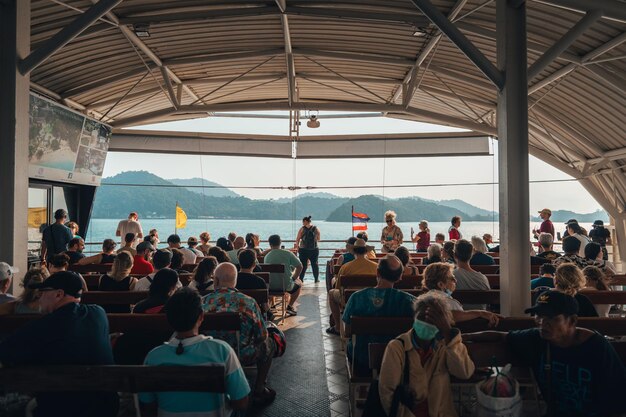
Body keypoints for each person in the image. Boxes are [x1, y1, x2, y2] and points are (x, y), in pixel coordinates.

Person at [463, 291, 626, 417]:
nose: (542, 323)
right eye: (538, 316)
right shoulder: (536, 339)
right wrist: (463, 337)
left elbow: (617, 398)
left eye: (551, 318)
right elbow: (501, 336)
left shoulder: (596, 347)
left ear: (573, 320)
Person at [0, 271, 120, 417]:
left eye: (43, 291)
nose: (39, 296)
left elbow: (5, 353)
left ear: (59, 294)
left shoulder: (45, 326)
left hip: (61, 408)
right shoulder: (99, 313)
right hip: (106, 407)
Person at [139, 288, 249, 416]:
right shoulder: (222, 350)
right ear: (201, 316)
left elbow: (147, 404)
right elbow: (241, 402)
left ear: (168, 319)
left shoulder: (153, 357)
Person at [379, 293, 475, 417]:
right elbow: (388, 393)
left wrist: (447, 332)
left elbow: (464, 372)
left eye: (432, 319)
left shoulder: (445, 346)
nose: (426, 322)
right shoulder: (397, 348)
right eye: (422, 317)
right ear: (414, 318)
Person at [202, 263, 277, 406]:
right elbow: (262, 335)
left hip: (209, 354)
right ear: (234, 281)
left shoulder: (203, 302)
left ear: (215, 281)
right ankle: (259, 388)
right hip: (242, 354)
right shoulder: (248, 302)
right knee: (269, 344)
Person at [342, 256, 417, 374]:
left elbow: (347, 332)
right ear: (399, 277)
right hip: (397, 359)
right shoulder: (409, 301)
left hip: (362, 360)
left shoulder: (357, 297)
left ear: (377, 272)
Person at [327, 239, 378, 335]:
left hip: (350, 299)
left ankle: (338, 327)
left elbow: (338, 288)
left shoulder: (346, 267)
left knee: (331, 293)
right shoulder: (376, 267)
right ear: (366, 251)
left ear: (354, 251)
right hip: (371, 299)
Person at [423, 262, 500, 326]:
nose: (455, 281)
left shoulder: (422, 300)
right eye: (451, 278)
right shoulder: (450, 303)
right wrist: (480, 313)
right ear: (441, 285)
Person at [263, 234, 302, 316]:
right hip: (285, 286)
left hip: (270, 286)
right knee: (299, 284)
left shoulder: (267, 256)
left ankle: (272, 306)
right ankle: (289, 306)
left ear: (270, 244)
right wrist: (294, 278)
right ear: (280, 242)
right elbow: (300, 266)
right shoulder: (288, 253)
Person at [452, 239, 490, 310]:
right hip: (481, 317)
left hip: (459, 317)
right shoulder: (482, 278)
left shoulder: (451, 276)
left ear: (454, 255)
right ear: (471, 255)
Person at [295, 215, 321, 282]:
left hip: (303, 249)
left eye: (303, 222)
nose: (302, 223)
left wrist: (297, 247)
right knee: (314, 265)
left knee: (303, 265)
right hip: (314, 249)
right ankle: (316, 279)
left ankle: (301, 279)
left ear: (305, 221)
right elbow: (318, 239)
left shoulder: (302, 229)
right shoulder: (316, 228)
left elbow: (298, 239)